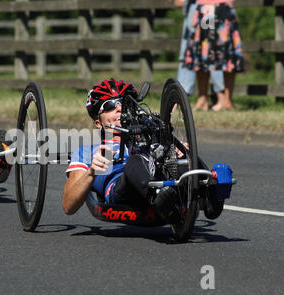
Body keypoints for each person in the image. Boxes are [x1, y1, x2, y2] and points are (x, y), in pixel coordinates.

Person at [62, 78, 221, 221]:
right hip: (121, 187)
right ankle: (159, 198)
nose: (119, 108)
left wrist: (177, 149)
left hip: (159, 175)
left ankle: (210, 194)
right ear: (98, 122)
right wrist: (91, 172)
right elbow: (68, 206)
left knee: (183, 155)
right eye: (109, 105)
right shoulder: (88, 151)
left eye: (124, 102)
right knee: (135, 161)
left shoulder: (150, 135)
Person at [184, 0, 245, 111]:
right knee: (203, 52)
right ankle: (202, 99)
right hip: (205, 9)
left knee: (228, 54)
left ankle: (227, 101)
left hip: (224, 7)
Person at [173, 0, 226, 111]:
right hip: (199, 9)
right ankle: (200, 98)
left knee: (209, 51)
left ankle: (221, 98)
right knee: (199, 52)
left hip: (207, 8)